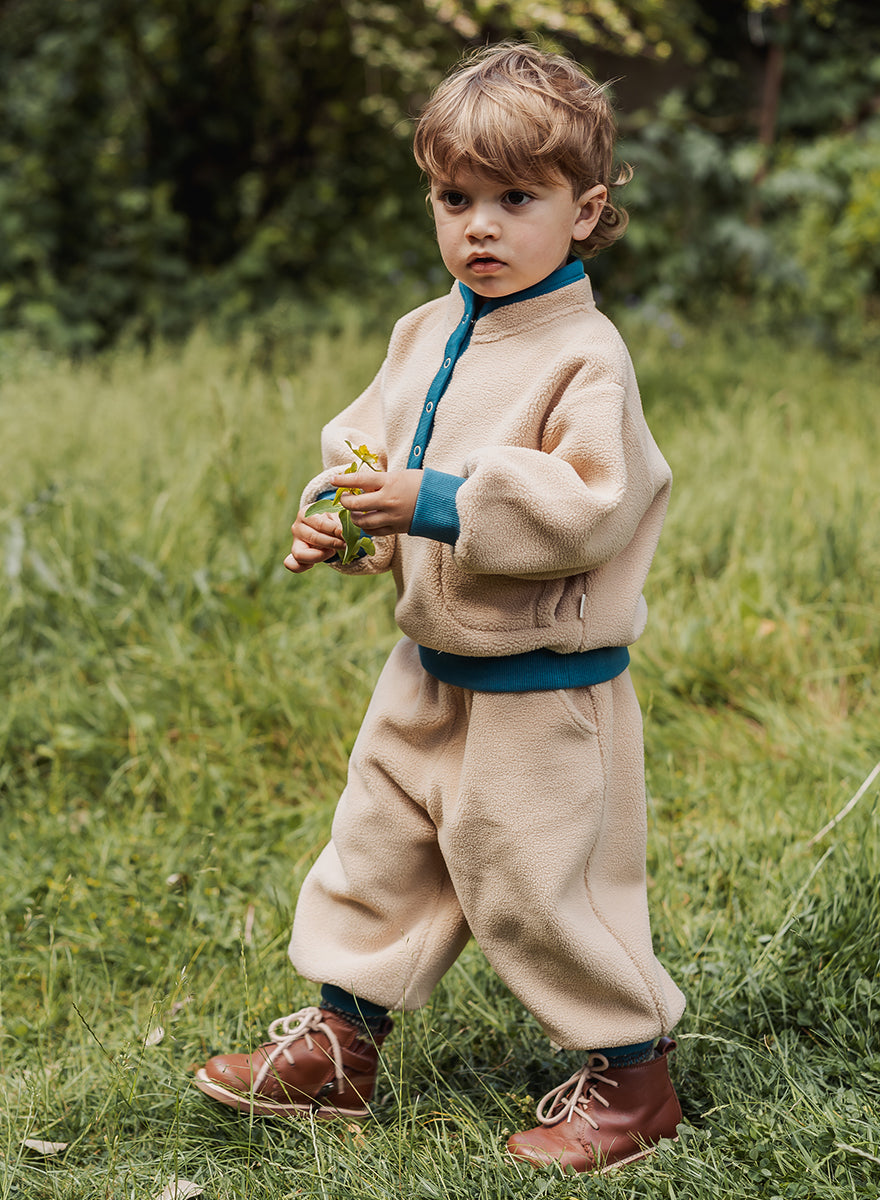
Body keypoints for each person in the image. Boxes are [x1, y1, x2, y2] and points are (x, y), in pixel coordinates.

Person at [194, 42, 685, 1174]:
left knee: (536, 884)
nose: (480, 228)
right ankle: (339, 1046)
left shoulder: (585, 357)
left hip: (541, 687)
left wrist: (445, 501)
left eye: (517, 200)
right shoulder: (426, 331)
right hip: (426, 670)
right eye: (456, 199)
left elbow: (591, 504)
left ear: (585, 211)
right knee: (376, 849)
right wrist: (341, 519)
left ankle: (632, 1077)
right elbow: (367, 451)